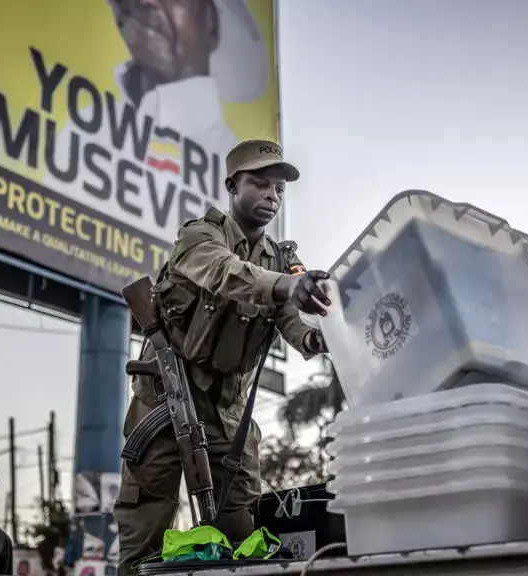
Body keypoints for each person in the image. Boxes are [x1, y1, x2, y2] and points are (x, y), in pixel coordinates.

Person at [114, 140, 331, 572]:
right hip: (166, 396)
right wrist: (286, 285)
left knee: (242, 535)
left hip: (227, 410)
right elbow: (223, 272)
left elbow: (291, 317)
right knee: (144, 528)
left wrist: (316, 338)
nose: (272, 195)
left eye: (279, 189)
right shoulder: (199, 236)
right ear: (232, 186)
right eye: (259, 183)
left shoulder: (281, 259)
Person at [46, 0, 274, 258]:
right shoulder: (88, 126)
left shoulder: (236, 169)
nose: (145, 3)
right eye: (127, 2)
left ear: (212, 24)